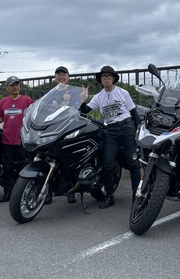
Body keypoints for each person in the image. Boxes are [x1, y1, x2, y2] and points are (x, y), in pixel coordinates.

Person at [80, 65, 141, 209]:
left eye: (109, 76)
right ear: (101, 80)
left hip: (127, 128)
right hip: (112, 131)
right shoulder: (98, 97)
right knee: (107, 164)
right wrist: (82, 100)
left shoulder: (123, 92)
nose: (106, 78)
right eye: (103, 76)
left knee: (133, 163)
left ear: (113, 79)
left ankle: (137, 196)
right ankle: (109, 195)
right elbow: (85, 110)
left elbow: (133, 112)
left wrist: (138, 130)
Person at [45, 66, 88, 204]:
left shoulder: (73, 91)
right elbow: (44, 107)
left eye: (64, 74)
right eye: (58, 74)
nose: (61, 77)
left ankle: (71, 191)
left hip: (69, 128)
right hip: (52, 128)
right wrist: (60, 101)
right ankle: (48, 191)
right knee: (49, 158)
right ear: (55, 77)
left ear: (68, 77)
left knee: (71, 157)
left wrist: (83, 100)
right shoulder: (50, 92)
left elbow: (76, 108)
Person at [0, 76, 33, 202]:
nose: (15, 87)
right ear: (7, 88)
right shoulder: (3, 102)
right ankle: (8, 193)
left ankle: (23, 193)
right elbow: (0, 118)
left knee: (22, 166)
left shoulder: (27, 101)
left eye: (17, 84)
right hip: (7, 140)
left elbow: (33, 116)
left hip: (22, 140)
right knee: (8, 167)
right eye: (12, 85)